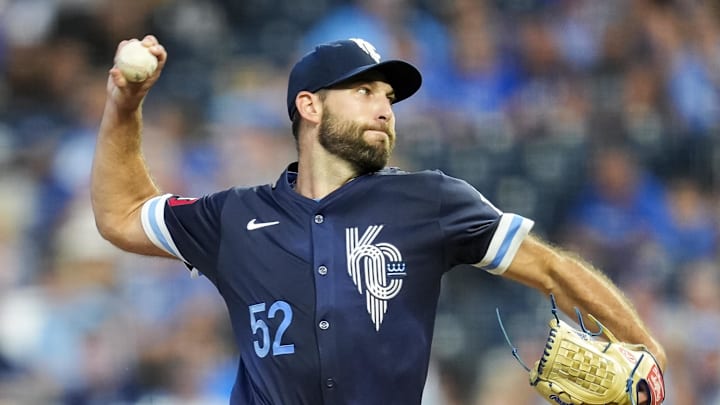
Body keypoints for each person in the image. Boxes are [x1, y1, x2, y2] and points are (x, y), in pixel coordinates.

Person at [92, 35, 667, 405]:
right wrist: (126, 104)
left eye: (388, 96)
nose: (385, 108)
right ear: (309, 106)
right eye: (364, 91)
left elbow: (552, 270)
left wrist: (647, 350)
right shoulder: (234, 217)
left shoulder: (430, 201)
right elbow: (120, 214)